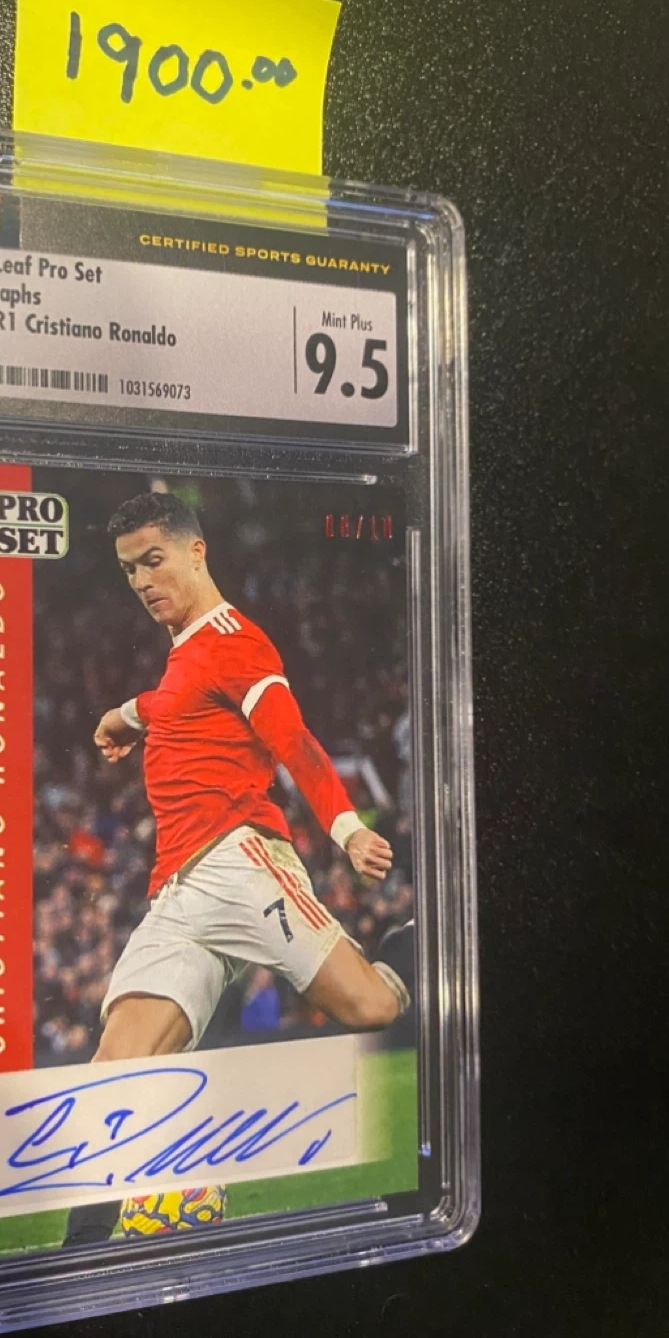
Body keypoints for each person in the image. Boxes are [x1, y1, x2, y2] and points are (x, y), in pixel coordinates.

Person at [63, 491, 414, 1245]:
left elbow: (295, 742)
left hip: (241, 862)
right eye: (129, 571)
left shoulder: (238, 642)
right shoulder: (187, 653)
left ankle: (405, 954)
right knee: (114, 1066)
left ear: (197, 551)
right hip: (178, 894)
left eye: (153, 560)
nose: (142, 581)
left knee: (372, 1009)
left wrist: (348, 829)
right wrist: (123, 715)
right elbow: (172, 701)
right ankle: (78, 1257)